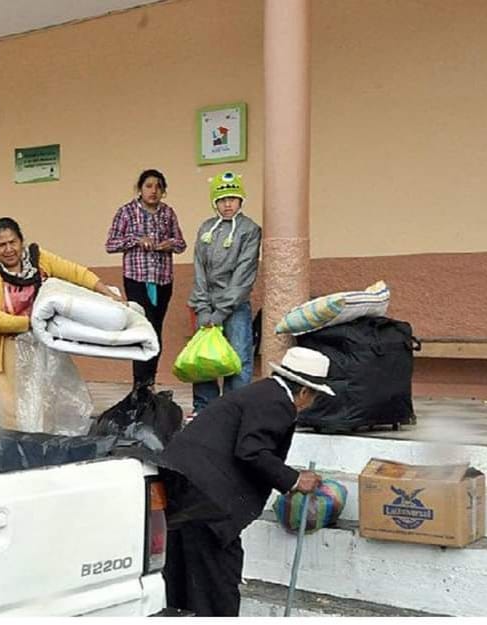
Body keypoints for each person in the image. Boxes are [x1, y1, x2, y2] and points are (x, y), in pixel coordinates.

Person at [159, 346, 332, 617]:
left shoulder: (263, 392)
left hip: (186, 485)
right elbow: (251, 451)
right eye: (315, 398)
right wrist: (294, 479)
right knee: (216, 583)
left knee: (185, 576)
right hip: (206, 498)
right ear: (304, 392)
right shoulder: (278, 402)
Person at [0, 217, 122, 430]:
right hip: (9, 350)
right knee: (14, 414)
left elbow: (75, 272)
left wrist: (107, 293)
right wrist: (31, 322)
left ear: (21, 241)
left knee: (45, 406)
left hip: (43, 346)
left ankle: (44, 452)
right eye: (1, 245)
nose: (9, 249)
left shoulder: (39, 260)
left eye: (13, 242)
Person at [187, 171, 260, 414]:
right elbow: (199, 269)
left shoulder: (249, 230)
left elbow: (244, 273)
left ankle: (234, 409)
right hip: (206, 305)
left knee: (238, 358)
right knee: (204, 358)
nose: (227, 204)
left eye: (232, 198)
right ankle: (204, 409)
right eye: (221, 199)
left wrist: (221, 311)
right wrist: (202, 307)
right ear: (214, 202)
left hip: (234, 306)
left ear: (241, 200)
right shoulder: (206, 229)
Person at [105, 169, 186, 386]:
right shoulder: (127, 212)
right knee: (143, 328)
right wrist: (136, 240)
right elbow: (110, 244)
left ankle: (150, 382)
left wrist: (169, 244)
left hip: (163, 280)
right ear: (140, 189)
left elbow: (181, 244)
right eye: (149, 186)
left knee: (156, 330)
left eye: (158, 187)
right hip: (137, 279)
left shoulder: (168, 213)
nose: (153, 191)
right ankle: (139, 384)